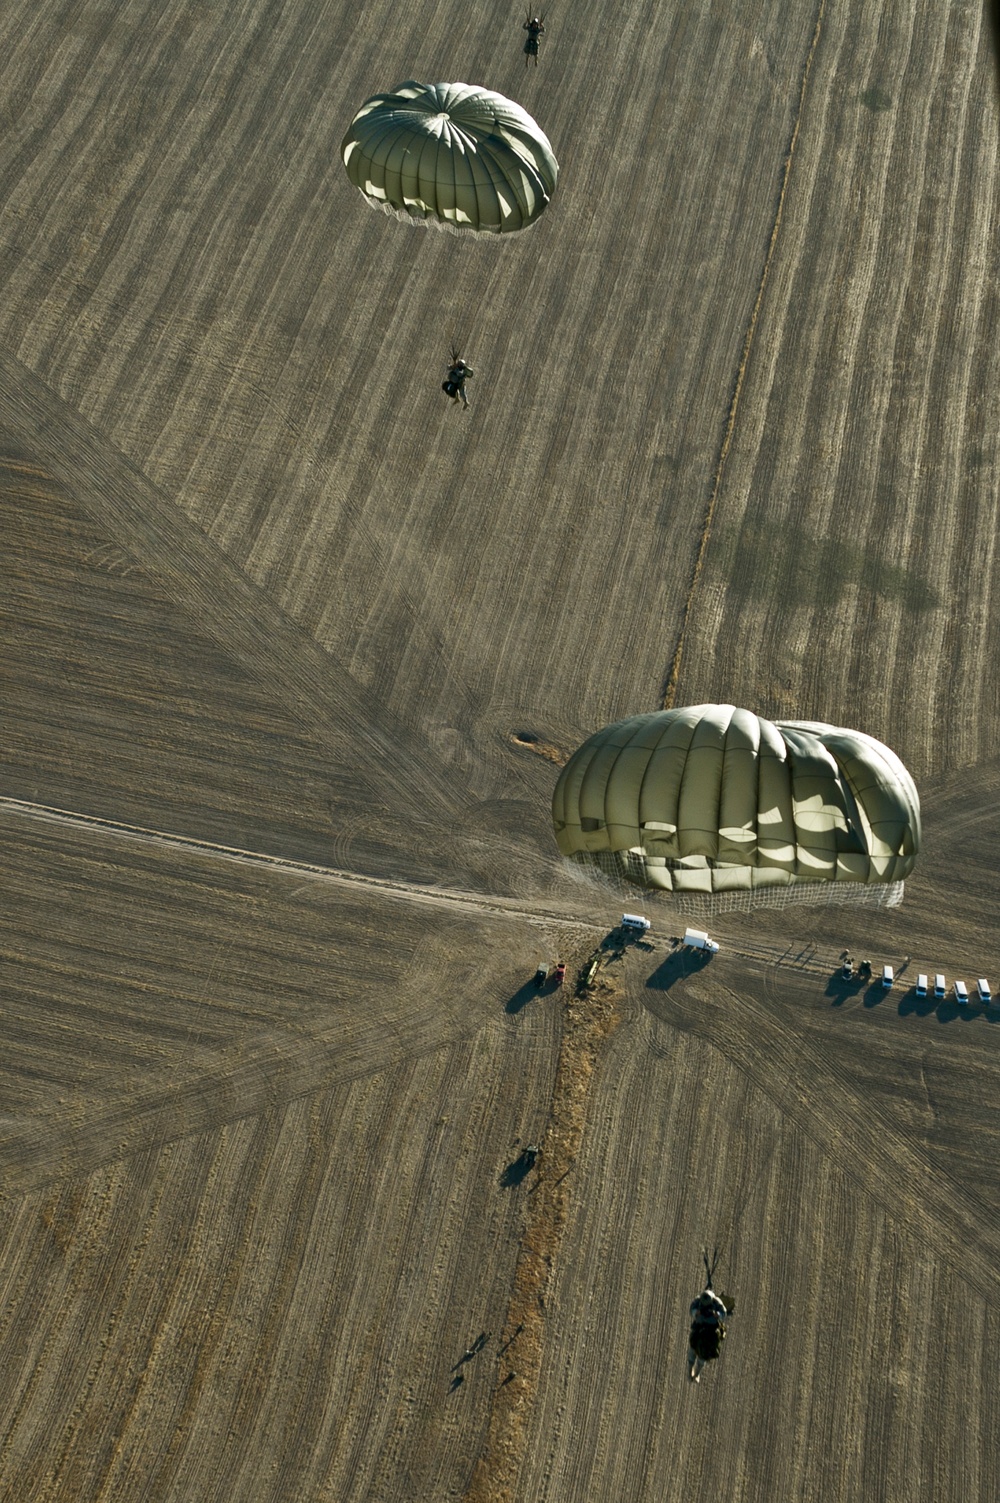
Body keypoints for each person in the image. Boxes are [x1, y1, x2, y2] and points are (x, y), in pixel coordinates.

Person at [688, 1286, 729, 1382]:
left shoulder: (716, 1302)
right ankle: (689, 1372)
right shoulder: (698, 1301)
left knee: (704, 1355)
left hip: (711, 1333)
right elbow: (691, 1309)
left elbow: (724, 1313)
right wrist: (695, 1312)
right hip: (698, 1330)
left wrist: (718, 1314)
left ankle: (697, 1373)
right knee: (692, 1350)